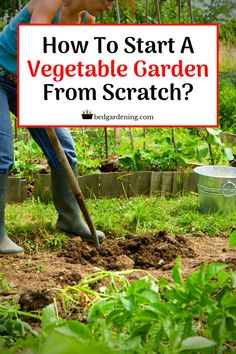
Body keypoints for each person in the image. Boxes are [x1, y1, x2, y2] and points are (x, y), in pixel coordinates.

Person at [0, 0, 114, 256]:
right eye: (108, 0)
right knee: (2, 155)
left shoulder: (87, 21)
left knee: (64, 147)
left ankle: (70, 220)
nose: (109, 6)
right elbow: (36, 52)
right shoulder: (49, 2)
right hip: (2, 75)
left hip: (29, 84)